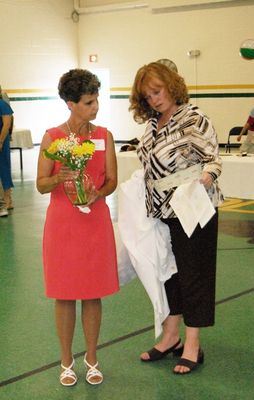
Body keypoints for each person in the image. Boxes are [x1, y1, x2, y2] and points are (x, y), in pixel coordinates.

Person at [128, 62, 223, 374]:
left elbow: (213, 158)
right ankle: (170, 336)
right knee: (168, 273)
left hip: (192, 206)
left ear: (171, 85)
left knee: (195, 275)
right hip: (159, 210)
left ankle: (192, 344)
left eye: (157, 91)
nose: (154, 99)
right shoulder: (153, 124)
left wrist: (208, 175)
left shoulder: (194, 118)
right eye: (147, 96)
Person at [36, 69, 119, 386]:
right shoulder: (52, 138)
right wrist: (61, 177)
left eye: (97, 99)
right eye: (88, 102)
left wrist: (100, 192)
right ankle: (66, 359)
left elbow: (111, 179)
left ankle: (93, 358)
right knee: (65, 294)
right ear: (70, 103)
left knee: (93, 293)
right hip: (63, 225)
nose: (95, 107)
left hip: (95, 222)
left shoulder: (103, 136)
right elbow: (42, 184)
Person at [0, 86, 14, 217]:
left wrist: (0, 141)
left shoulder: (2, 105)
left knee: (3, 170)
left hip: (1, 143)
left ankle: (6, 201)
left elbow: (6, 124)